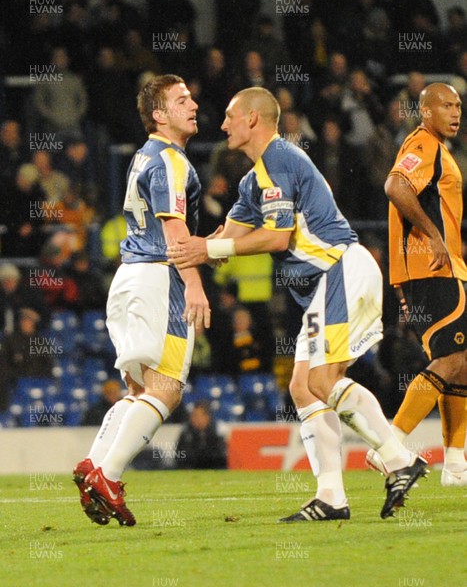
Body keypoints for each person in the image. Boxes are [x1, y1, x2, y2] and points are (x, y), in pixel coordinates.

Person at [168, 87, 428, 521]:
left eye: (230, 116)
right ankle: (331, 497)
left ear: (253, 118)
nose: (223, 124)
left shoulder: (281, 158)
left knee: (323, 380)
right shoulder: (255, 179)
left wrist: (206, 252)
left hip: (340, 269)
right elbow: (225, 238)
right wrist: (183, 250)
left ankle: (399, 459)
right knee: (303, 387)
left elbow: (276, 238)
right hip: (325, 284)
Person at [72, 74, 211, 527]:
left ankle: (94, 465)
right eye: (180, 99)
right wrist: (194, 283)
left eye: (190, 96)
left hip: (128, 278)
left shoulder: (143, 156)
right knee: (166, 389)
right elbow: (174, 232)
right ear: (158, 114)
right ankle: (108, 477)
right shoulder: (170, 159)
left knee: (138, 390)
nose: (192, 104)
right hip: (159, 279)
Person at [366, 83, 467, 487]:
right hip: (433, 267)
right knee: (451, 360)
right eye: (446, 105)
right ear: (425, 111)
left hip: (435, 269)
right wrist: (434, 235)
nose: (455, 112)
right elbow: (395, 186)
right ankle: (388, 446)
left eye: (458, 106)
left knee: (461, 361)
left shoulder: (439, 149)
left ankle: (456, 463)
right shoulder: (423, 144)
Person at [175, 400, 227, 469]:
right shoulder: (186, 434)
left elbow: (221, 457)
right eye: (193, 416)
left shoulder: (216, 433)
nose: (194, 419)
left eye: (197, 416)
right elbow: (180, 456)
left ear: (207, 417)